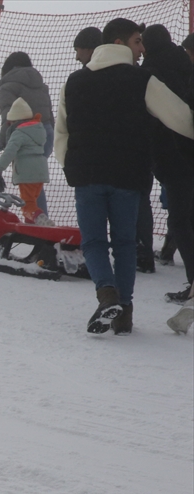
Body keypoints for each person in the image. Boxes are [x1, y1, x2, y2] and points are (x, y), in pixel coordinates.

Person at [55, 17, 194, 335]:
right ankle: (124, 314)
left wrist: (69, 168)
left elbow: (62, 131)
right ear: (119, 44)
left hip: (87, 175)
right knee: (125, 244)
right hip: (129, 176)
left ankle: (106, 295)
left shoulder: (74, 81)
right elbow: (181, 119)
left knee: (92, 242)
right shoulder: (143, 79)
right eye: (137, 41)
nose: (142, 49)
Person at [141, 24, 193, 305]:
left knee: (179, 219)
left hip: (173, 153)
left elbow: (153, 114)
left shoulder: (151, 69)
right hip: (188, 152)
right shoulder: (184, 63)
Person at [0, 52, 54, 215]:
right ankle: (39, 222)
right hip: (45, 134)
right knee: (35, 182)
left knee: (27, 183)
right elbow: (49, 113)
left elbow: (8, 116)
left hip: (23, 135)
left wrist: (3, 141)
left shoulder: (7, 87)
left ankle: (36, 224)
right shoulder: (40, 84)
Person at [0, 98, 51, 224]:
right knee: (33, 202)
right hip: (41, 172)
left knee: (27, 205)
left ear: (15, 120)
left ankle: (42, 220)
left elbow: (9, 152)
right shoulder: (39, 130)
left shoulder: (19, 133)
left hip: (27, 173)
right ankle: (31, 228)